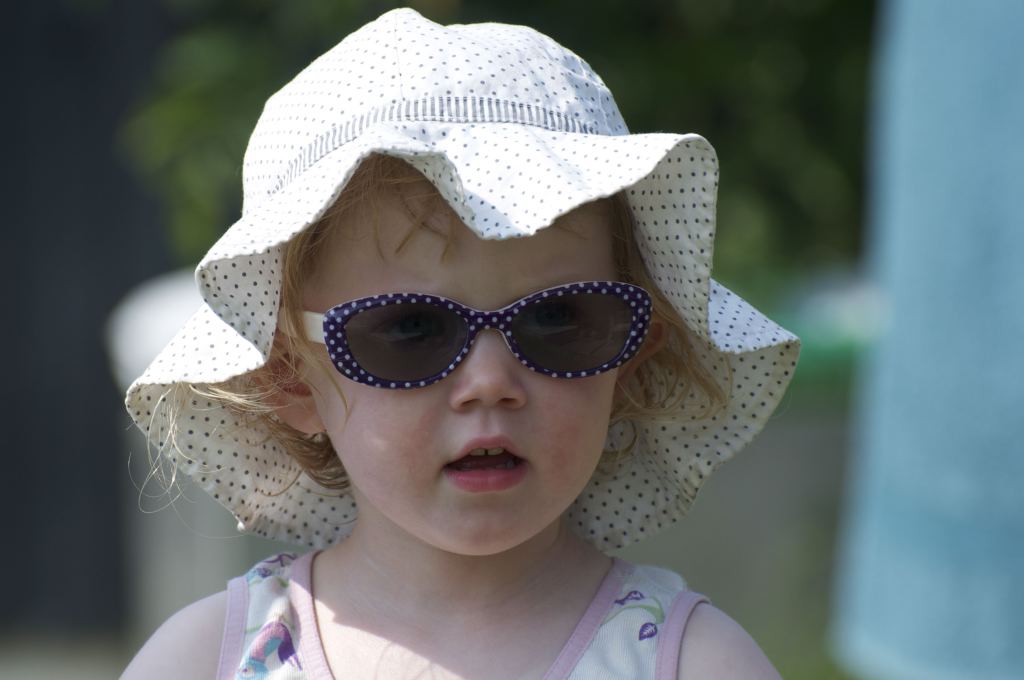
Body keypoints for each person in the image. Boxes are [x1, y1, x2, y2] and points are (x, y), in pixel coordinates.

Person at [121, 8, 798, 679]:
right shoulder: (204, 660)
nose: (490, 381)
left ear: (629, 358)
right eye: (410, 329)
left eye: (558, 319)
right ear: (290, 378)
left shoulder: (692, 663)